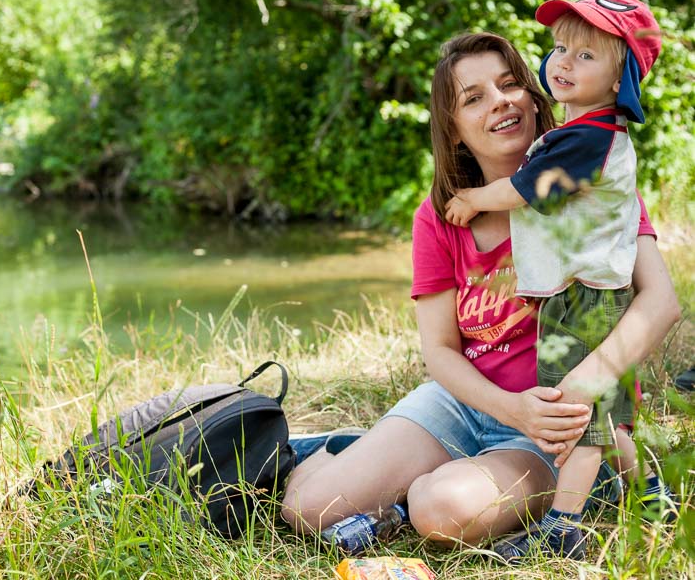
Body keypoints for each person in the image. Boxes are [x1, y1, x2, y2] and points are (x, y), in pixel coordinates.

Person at [280, 30, 680, 563]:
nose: (500, 102)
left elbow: (659, 303)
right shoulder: (442, 213)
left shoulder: (594, 185)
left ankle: (417, 484)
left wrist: (582, 392)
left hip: (551, 425)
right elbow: (440, 349)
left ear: (534, 96)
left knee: (440, 509)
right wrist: (508, 408)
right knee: (309, 509)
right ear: (455, 130)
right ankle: (335, 450)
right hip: (466, 403)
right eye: (474, 98)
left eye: (510, 84)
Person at [441, 0, 674, 561]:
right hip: (590, 292)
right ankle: (653, 494)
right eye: (558, 48)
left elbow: (527, 190)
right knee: (609, 414)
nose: (563, 62)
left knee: (579, 411)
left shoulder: (587, 139)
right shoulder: (584, 133)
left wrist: (473, 198)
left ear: (622, 79)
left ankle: (563, 523)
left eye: (586, 56)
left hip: (587, 297)